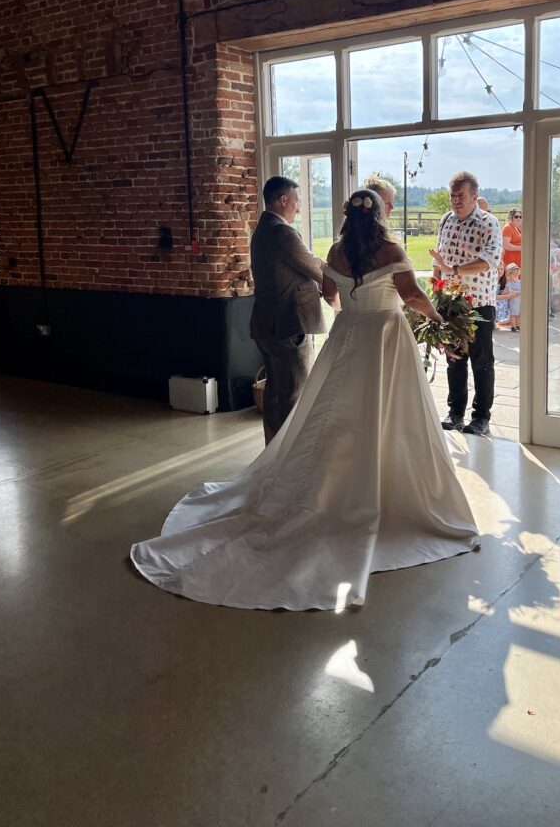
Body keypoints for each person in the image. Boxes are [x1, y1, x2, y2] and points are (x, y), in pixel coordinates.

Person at [130, 188, 480, 610]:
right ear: (379, 216)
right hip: (386, 340)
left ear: (349, 218)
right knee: (391, 416)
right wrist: (439, 317)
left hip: (348, 336)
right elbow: (410, 295)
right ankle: (382, 490)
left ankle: (335, 487)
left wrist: (351, 308)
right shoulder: (390, 249)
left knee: (335, 416)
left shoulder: (335, 250)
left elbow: (330, 294)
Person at [249, 176, 326, 445]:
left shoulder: (262, 229)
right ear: (283, 200)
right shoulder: (282, 232)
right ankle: (289, 457)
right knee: (295, 396)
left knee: (274, 395)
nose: (299, 207)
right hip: (288, 326)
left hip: (267, 326)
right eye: (297, 201)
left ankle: (273, 452)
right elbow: (314, 268)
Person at [429, 171, 503, 437]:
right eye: (452, 196)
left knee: (482, 362)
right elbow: (439, 259)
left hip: (479, 304)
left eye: (461, 196)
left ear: (474, 195)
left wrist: (454, 269)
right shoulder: (446, 221)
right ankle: (455, 413)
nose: (455, 201)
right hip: (451, 302)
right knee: (454, 360)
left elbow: (489, 259)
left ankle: (481, 417)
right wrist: (436, 288)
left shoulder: (488, 222)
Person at [505, 263, 521, 331]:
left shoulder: (520, 282)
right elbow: (511, 292)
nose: (516, 276)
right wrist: (518, 292)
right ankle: (513, 326)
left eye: (517, 275)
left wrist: (517, 292)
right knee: (513, 314)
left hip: (519, 300)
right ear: (509, 275)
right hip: (513, 301)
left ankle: (518, 325)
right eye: (514, 275)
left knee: (519, 314)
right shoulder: (509, 283)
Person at [495, 262, 511, 327]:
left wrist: (508, 283)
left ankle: (496, 321)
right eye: (497, 269)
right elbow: (494, 297)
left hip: (498, 298)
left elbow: (502, 293)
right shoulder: (493, 280)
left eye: (502, 269)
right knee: (502, 301)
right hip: (492, 299)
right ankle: (495, 320)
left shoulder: (502, 280)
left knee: (508, 300)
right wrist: (507, 296)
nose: (500, 271)